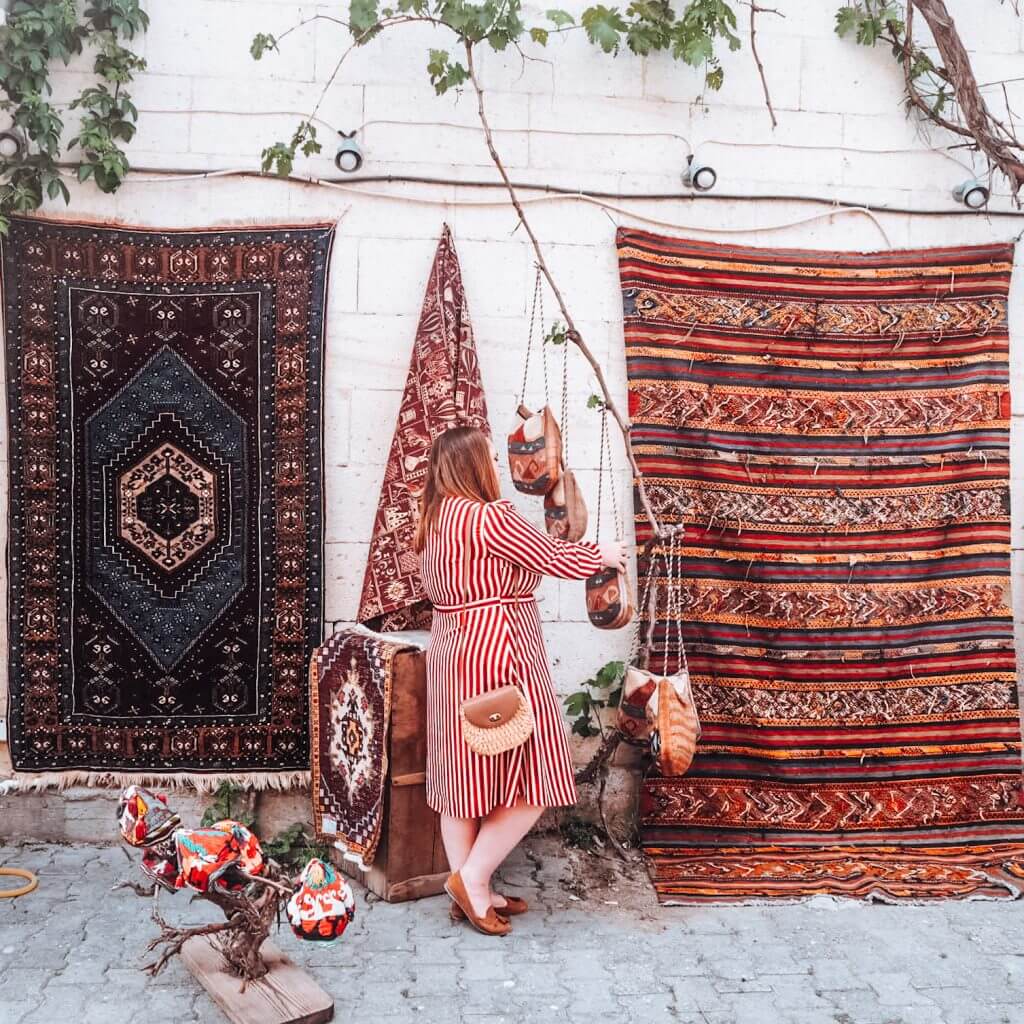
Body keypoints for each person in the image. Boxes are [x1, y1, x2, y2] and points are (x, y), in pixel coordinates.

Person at [413, 425, 628, 936]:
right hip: (499, 651)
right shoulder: (488, 518)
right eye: (488, 455)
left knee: (460, 778)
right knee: (536, 772)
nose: (494, 462)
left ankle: (470, 889)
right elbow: (548, 556)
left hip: (451, 650)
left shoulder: (432, 521)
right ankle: (474, 878)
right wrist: (602, 556)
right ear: (471, 465)